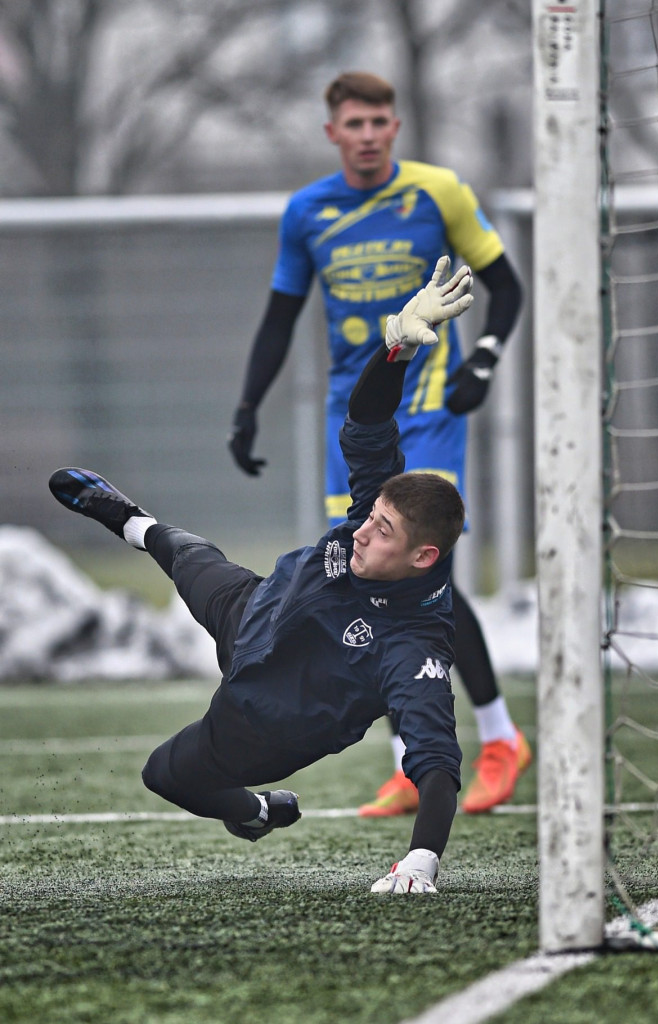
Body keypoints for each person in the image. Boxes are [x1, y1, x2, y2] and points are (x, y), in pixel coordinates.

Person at [49, 258, 474, 894]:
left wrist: (421, 861)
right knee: (189, 555)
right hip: (258, 607)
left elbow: (436, 762)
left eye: (382, 531)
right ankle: (134, 523)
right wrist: (394, 349)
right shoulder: (370, 521)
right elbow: (364, 428)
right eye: (372, 515)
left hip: (264, 721)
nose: (361, 529)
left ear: (424, 559)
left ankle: (253, 813)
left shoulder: (413, 643)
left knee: (165, 774)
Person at [227, 71, 530, 816]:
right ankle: (407, 760)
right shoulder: (307, 212)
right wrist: (247, 406)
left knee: (428, 581)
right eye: (354, 123)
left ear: (396, 128)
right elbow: (279, 318)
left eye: (380, 122)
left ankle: (497, 737)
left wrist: (484, 359)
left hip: (426, 413)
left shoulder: (440, 193)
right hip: (356, 421)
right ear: (332, 132)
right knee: (365, 576)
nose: (367, 134)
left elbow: (508, 288)